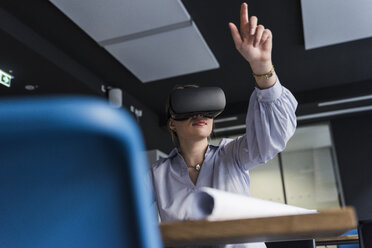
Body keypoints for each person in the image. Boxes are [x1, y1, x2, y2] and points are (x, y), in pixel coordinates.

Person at [150, 3, 297, 247]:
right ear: (172, 124)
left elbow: (274, 137)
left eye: (207, 109)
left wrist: (262, 67)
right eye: (189, 109)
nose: (201, 115)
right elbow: (121, 208)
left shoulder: (233, 156)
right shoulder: (157, 175)